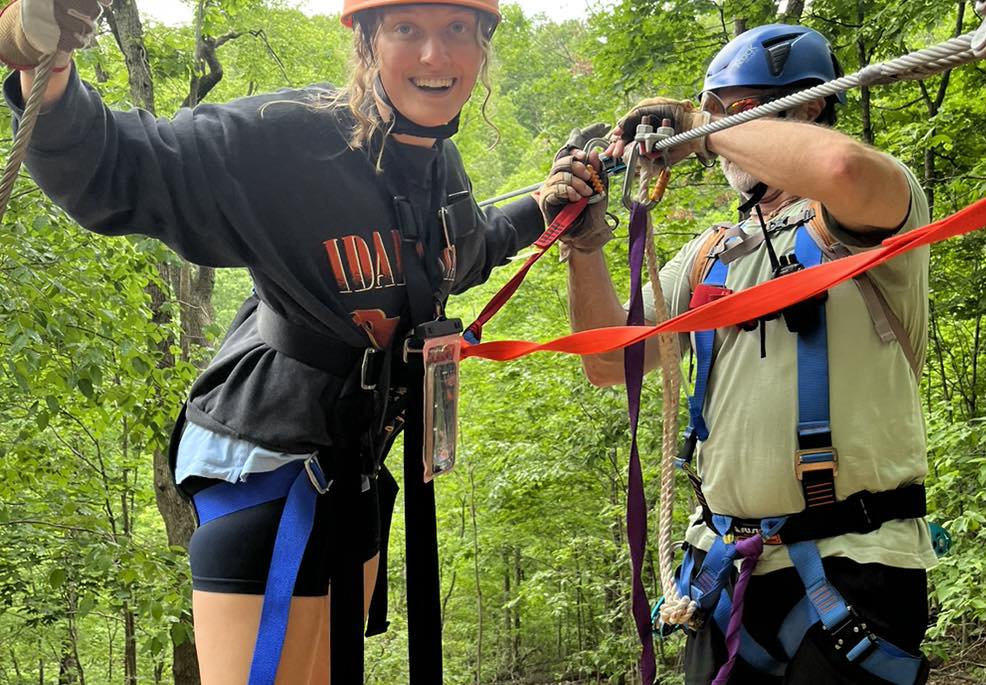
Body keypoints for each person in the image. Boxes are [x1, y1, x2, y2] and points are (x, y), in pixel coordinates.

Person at [0, 0, 607, 682]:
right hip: (265, 468)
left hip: (353, 467)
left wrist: (545, 207)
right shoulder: (286, 138)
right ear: (367, 41)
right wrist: (42, 66)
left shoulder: (438, 164)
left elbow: (458, 254)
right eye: (408, 29)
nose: (435, 56)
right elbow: (119, 168)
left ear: (483, 46)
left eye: (456, 30)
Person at [558, 24, 939, 685]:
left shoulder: (875, 212)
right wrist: (583, 245)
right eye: (720, 110)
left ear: (813, 107)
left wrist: (700, 123)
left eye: (741, 110)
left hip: (857, 564)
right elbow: (606, 361)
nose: (722, 133)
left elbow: (839, 168)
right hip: (728, 570)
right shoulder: (713, 255)